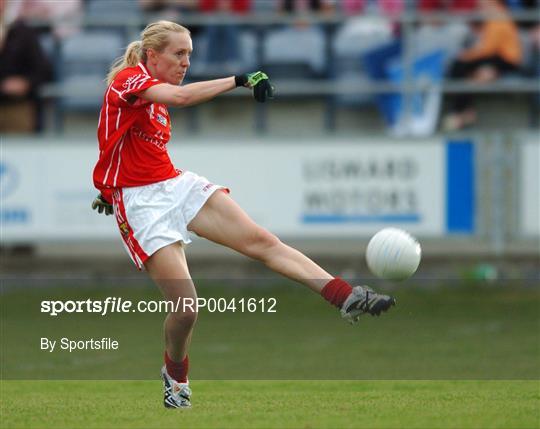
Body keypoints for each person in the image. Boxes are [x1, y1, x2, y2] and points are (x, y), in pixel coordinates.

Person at [91, 20, 396, 409]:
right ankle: (175, 375)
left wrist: (106, 185)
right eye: (178, 54)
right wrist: (239, 79)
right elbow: (176, 101)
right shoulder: (130, 80)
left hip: (173, 185)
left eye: (189, 54)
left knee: (262, 241)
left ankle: (345, 295)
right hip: (140, 204)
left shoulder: (157, 99)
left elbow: (123, 145)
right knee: (186, 307)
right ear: (152, 55)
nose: (186, 62)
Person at [443, 0, 523, 130]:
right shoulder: (495, 17)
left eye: (483, 5)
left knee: (459, 65)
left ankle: (459, 112)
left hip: (506, 60)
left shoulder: (498, 17)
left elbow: (488, 49)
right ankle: (464, 111)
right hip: (499, 58)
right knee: (463, 69)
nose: (480, 8)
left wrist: (466, 56)